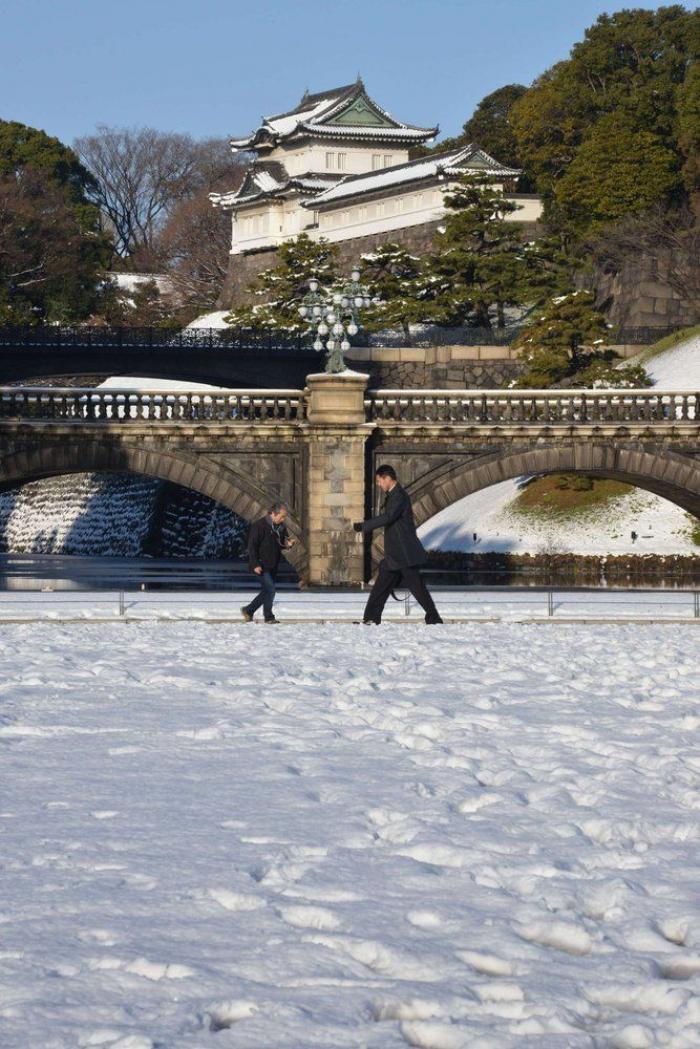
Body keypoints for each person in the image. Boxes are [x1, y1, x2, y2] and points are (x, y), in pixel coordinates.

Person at [354, 465, 443, 625]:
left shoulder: (399, 496)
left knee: (417, 589)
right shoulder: (394, 495)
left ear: (387, 478)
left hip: (404, 553)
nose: (379, 485)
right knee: (380, 588)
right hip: (395, 554)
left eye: (380, 481)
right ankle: (371, 619)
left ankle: (434, 618)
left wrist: (364, 526)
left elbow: (389, 517)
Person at [241, 502, 296, 624]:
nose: (283, 519)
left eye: (284, 517)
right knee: (270, 589)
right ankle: (269, 616)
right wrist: (255, 564)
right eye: (282, 516)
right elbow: (252, 546)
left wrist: (288, 545)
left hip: (273, 563)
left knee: (267, 591)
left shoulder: (280, 527)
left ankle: (248, 610)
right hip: (261, 564)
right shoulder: (259, 526)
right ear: (273, 514)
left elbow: (280, 544)